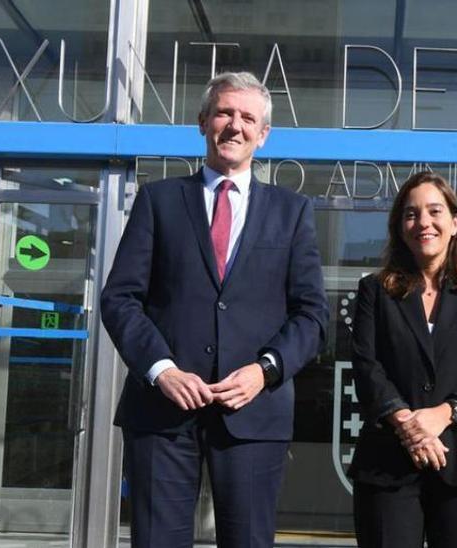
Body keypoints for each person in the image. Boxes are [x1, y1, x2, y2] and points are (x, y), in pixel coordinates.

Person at [100, 71, 328, 548]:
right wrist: (161, 370)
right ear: (203, 121)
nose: (234, 125)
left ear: (263, 135)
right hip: (162, 412)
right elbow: (120, 298)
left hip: (253, 413)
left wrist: (265, 371)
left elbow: (311, 315)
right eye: (224, 112)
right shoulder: (158, 200)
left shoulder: (292, 212)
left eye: (248, 118)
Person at [347, 171, 457, 548]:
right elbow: (366, 365)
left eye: (434, 211)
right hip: (386, 465)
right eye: (411, 213)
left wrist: (442, 415)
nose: (423, 222)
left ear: (455, 223)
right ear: (399, 228)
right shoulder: (374, 290)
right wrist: (407, 424)